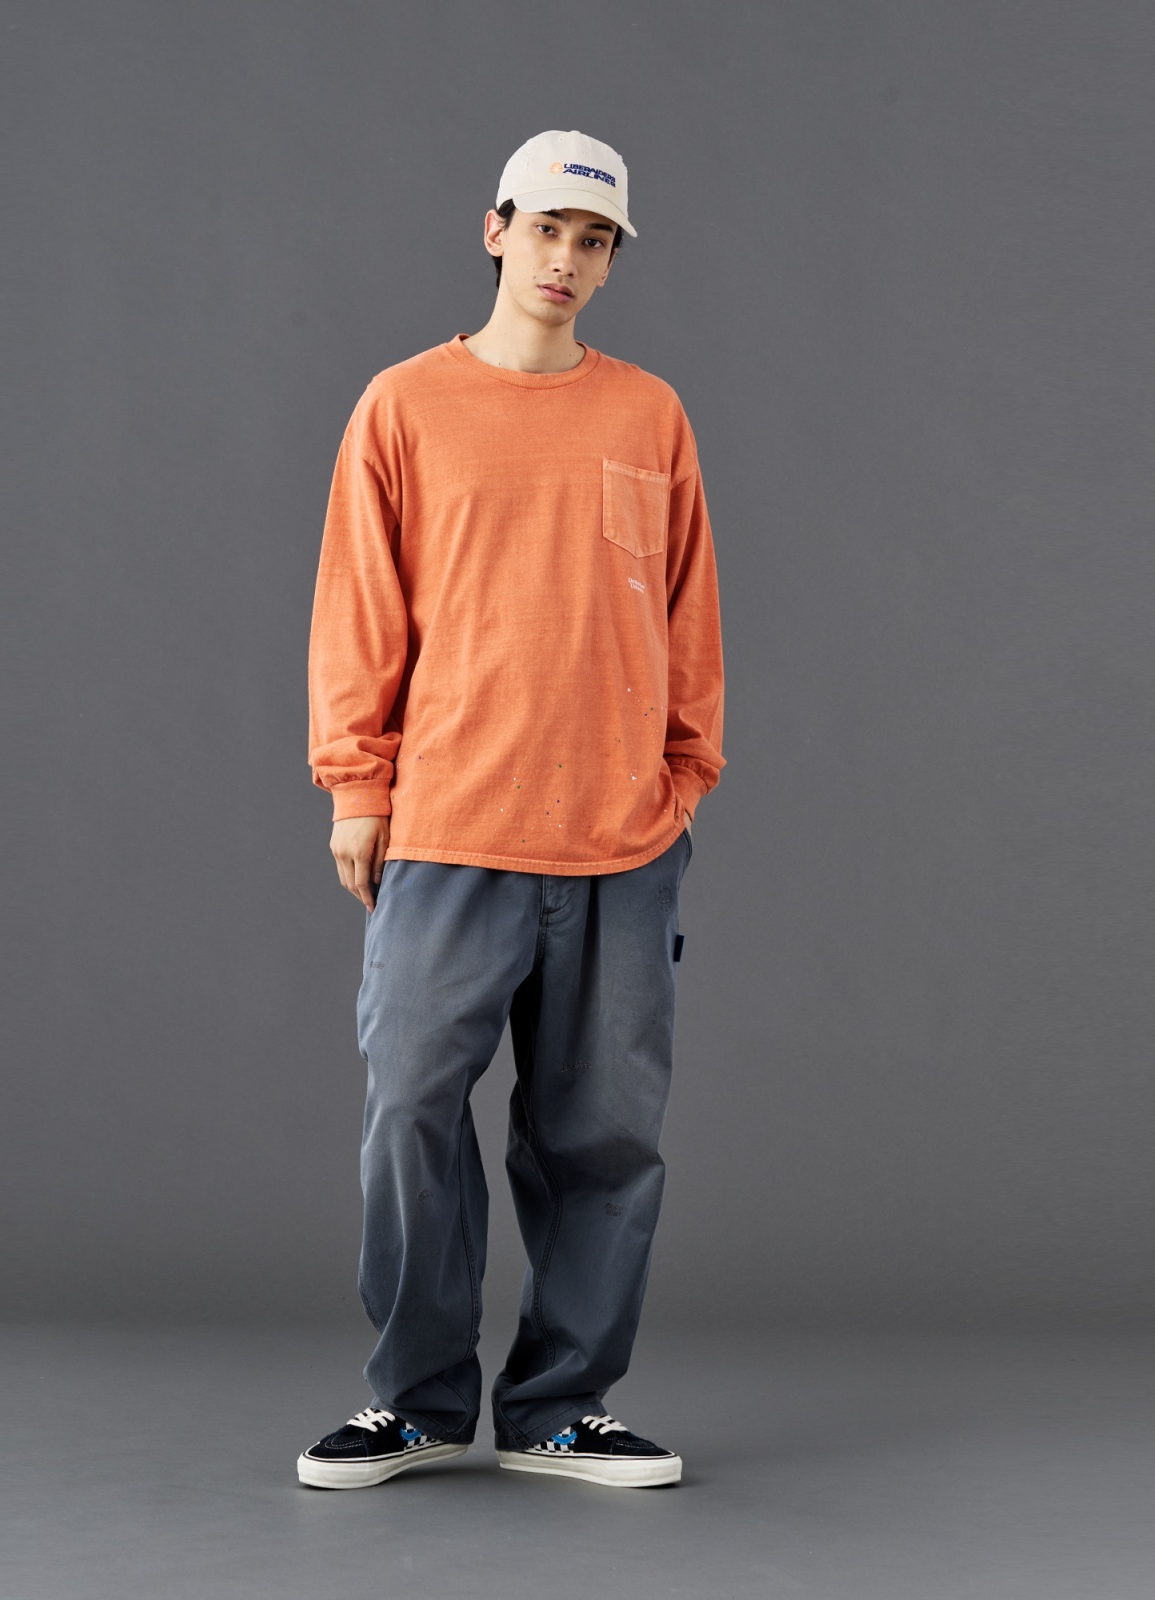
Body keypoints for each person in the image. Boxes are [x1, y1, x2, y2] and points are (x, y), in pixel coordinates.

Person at [299, 129, 726, 1491]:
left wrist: (683, 778)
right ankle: (417, 1400)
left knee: (604, 1136)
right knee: (411, 1110)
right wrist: (357, 785)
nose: (566, 260)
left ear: (610, 260)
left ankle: (560, 1408)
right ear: (495, 230)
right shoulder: (404, 406)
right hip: (449, 829)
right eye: (547, 230)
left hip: (621, 841)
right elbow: (359, 611)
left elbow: (689, 614)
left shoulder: (648, 415)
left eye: (594, 241)